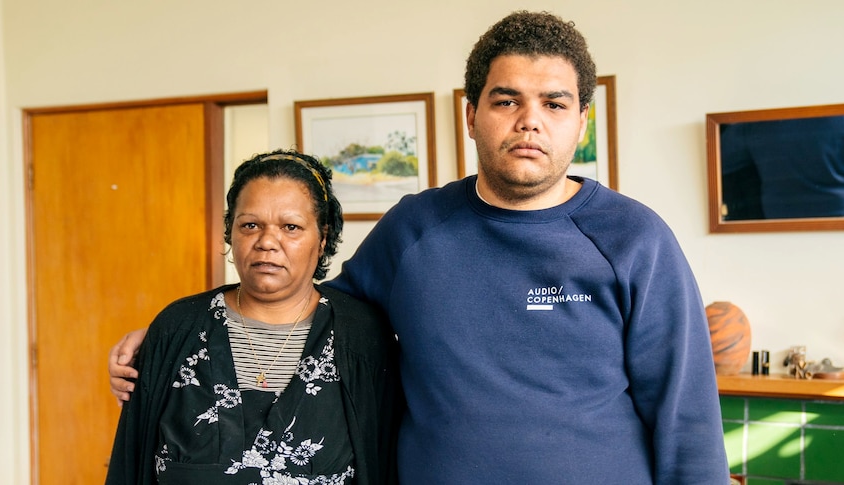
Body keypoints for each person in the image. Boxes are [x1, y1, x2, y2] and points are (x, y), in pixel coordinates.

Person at [110, 11, 730, 483]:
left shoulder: (634, 240)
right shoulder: (415, 229)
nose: (529, 121)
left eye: (553, 103)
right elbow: (315, 310)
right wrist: (176, 337)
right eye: (506, 99)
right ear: (471, 113)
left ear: (581, 122)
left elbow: (688, 418)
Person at [105, 149, 402, 485]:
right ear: (231, 232)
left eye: (291, 227)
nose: (266, 242)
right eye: (250, 225)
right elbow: (130, 463)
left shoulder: (362, 337)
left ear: (322, 238)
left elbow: (389, 461)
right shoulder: (176, 330)